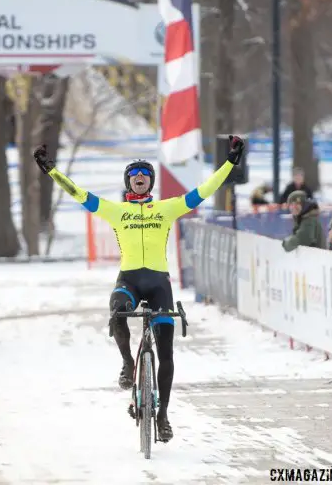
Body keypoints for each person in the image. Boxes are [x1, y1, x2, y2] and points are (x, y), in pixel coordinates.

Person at [33, 135, 246, 442]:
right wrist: (51, 171)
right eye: (134, 175)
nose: (140, 178)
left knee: (166, 353)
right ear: (128, 184)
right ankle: (128, 362)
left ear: (151, 182)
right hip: (130, 281)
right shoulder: (116, 211)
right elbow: (78, 194)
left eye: (145, 175)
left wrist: (230, 162)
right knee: (117, 309)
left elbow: (204, 191)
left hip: (159, 284)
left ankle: (162, 416)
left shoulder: (167, 208)